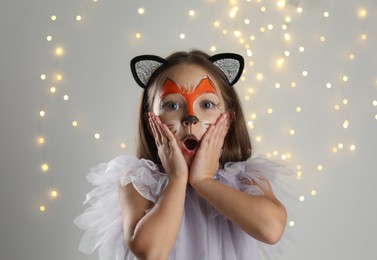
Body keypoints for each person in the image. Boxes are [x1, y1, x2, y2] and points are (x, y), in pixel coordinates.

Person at [74, 50, 293, 260]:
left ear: (229, 119)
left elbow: (271, 230)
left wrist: (203, 181)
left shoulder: (245, 179)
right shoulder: (139, 182)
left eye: (206, 104)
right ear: (150, 121)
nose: (190, 118)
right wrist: (177, 178)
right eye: (172, 105)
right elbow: (151, 254)